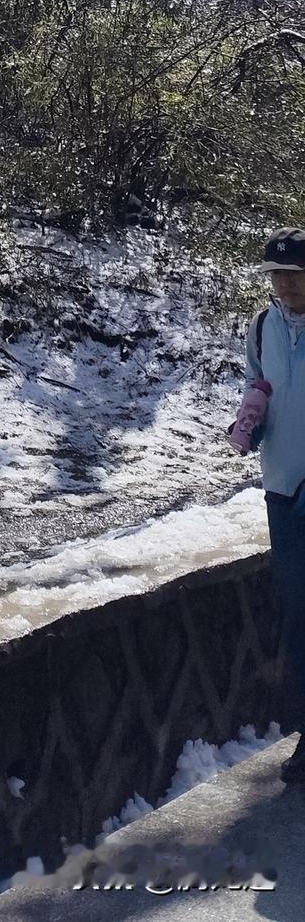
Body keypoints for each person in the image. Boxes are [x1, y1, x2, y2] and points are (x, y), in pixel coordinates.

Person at [244, 227, 305, 784]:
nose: (284, 283)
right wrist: (251, 414)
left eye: (294, 274)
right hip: (282, 489)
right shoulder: (262, 325)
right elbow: (256, 382)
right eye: (277, 274)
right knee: (296, 615)